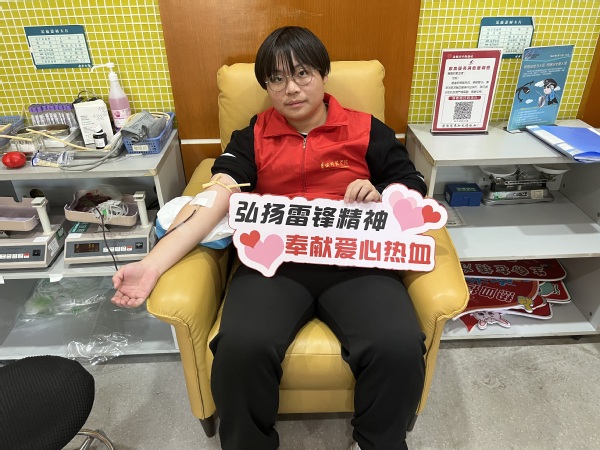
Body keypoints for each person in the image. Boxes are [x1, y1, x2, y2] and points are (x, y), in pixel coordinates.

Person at [112, 26, 428, 450]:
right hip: (272, 262)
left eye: (302, 74)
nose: (291, 89)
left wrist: (381, 193)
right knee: (241, 347)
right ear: (266, 86)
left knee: (398, 344)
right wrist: (151, 265)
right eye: (276, 79)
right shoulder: (252, 137)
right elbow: (217, 198)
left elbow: (412, 185)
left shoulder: (367, 129)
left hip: (354, 258)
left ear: (323, 74)